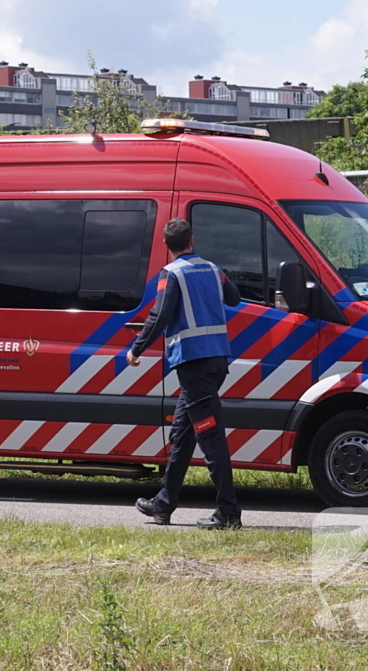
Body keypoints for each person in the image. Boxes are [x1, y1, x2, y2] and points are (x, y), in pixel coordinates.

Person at [127, 218, 243, 529]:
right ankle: (163, 505)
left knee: (211, 438)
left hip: (194, 365)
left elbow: (160, 314)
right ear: (191, 239)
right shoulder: (212, 269)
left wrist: (136, 348)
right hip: (216, 361)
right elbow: (234, 298)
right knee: (182, 434)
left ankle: (229, 513)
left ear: (166, 245)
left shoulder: (172, 273)